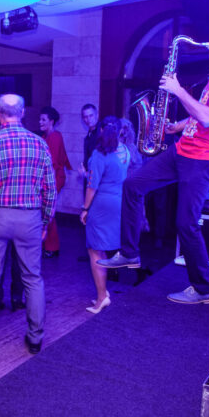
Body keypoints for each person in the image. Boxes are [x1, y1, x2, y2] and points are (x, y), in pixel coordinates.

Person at [99, 14, 209, 305]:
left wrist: (178, 90)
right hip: (184, 148)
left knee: (185, 222)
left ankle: (203, 289)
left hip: (206, 158)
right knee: (133, 185)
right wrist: (179, 125)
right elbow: (206, 108)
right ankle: (129, 252)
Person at [0, 94, 56, 355]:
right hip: (29, 217)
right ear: (23, 113)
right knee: (33, 278)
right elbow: (49, 189)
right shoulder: (39, 144)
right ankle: (35, 338)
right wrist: (44, 221)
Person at [80, 118, 129, 313]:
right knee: (103, 250)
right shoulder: (124, 150)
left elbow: (92, 186)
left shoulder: (100, 154)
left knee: (95, 251)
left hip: (101, 204)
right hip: (118, 201)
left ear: (101, 130)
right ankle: (103, 292)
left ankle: (101, 297)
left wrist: (85, 208)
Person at [39, 106, 72, 258]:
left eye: (43, 119)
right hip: (49, 178)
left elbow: (52, 164)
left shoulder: (54, 137)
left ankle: (52, 247)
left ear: (51, 121)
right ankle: (47, 244)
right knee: (46, 211)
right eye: (40, 119)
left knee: (48, 211)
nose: (40, 122)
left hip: (54, 178)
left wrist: (49, 187)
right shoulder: (46, 136)